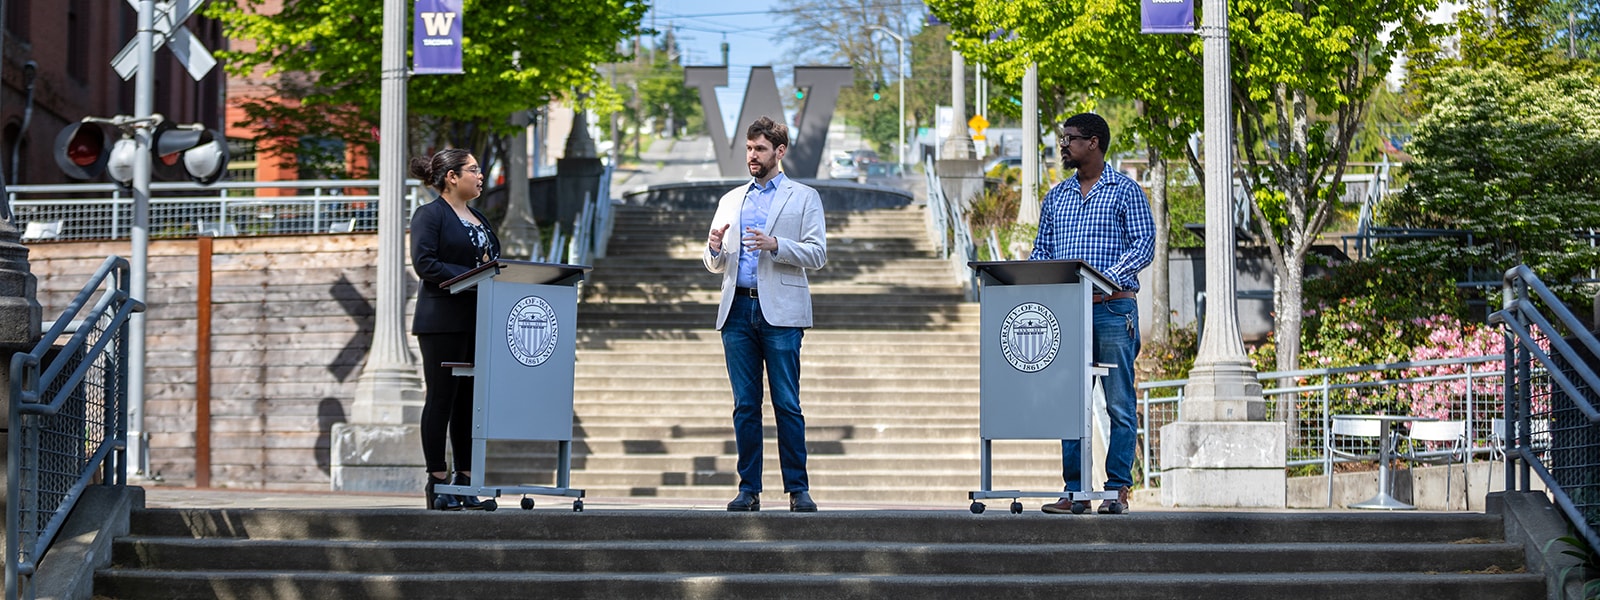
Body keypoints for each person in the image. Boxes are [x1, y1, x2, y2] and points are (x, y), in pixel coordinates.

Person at [1028, 113, 1155, 515]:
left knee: (1118, 403)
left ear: (1094, 143)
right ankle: (1075, 491)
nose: (1064, 145)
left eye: (1070, 139)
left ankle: (1117, 489)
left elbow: (1144, 245)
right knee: (1071, 404)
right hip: (1068, 313)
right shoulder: (1057, 197)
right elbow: (1041, 251)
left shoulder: (1125, 192)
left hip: (1114, 310)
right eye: (1064, 139)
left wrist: (1100, 278)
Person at [703, 116, 828, 512]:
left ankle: (797, 489)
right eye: (749, 149)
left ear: (780, 151)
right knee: (744, 405)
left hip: (781, 313)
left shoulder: (804, 197)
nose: (752, 156)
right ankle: (748, 489)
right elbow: (714, 263)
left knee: (787, 403)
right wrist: (714, 249)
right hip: (737, 309)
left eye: (759, 149)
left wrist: (777, 244)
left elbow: (818, 254)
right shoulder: (731, 200)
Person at [409, 148, 499, 511]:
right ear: (451, 177)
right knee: (442, 399)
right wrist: (471, 278)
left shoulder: (479, 218)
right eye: (474, 170)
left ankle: (465, 483)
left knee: (469, 404)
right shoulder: (429, 215)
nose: (480, 176)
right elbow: (425, 263)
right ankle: (438, 482)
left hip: (479, 320)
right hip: (442, 321)